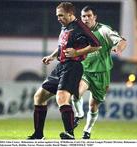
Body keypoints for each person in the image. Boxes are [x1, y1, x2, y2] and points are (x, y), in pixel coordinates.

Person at [27, 2, 100, 140]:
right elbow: (62, 46)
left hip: (73, 66)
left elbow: (96, 45)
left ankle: (69, 134)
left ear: (70, 14)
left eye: (61, 15)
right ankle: (38, 135)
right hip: (61, 66)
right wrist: (52, 56)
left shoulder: (81, 27)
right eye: (57, 15)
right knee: (39, 97)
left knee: (62, 98)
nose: (58, 18)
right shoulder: (65, 27)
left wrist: (77, 52)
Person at [66, 6, 127, 139]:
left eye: (89, 16)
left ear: (95, 17)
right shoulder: (78, 30)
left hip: (101, 74)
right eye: (83, 16)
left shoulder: (103, 30)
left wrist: (118, 48)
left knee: (93, 106)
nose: (86, 18)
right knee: (75, 94)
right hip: (85, 71)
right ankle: (79, 115)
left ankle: (87, 131)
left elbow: (122, 41)